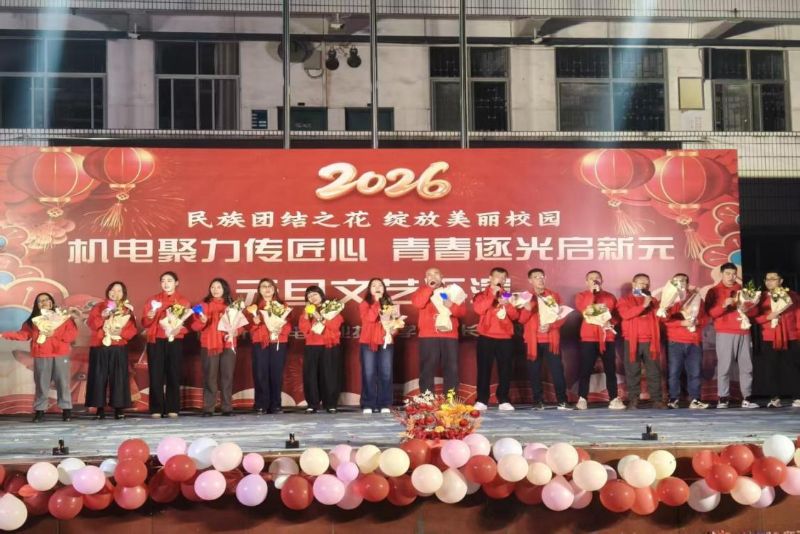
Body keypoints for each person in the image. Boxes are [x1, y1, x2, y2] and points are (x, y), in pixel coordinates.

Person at [1, 293, 78, 422]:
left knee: (63, 383)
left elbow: (71, 335)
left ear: (52, 302)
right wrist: (3, 334)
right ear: (37, 305)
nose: (44, 302)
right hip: (41, 354)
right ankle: (40, 411)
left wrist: (54, 333)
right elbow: (23, 335)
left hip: (60, 354)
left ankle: (66, 410)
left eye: (46, 300)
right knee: (42, 384)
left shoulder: (63, 318)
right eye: (40, 301)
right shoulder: (33, 321)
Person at [705, 262, 760, 409]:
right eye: (728, 274)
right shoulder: (714, 291)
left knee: (747, 366)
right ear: (721, 274)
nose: (731, 277)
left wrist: (747, 308)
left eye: (734, 274)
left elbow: (755, 312)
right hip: (725, 332)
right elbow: (710, 313)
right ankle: (723, 398)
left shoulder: (743, 290)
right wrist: (724, 305)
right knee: (724, 366)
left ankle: (747, 398)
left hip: (744, 331)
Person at [518, 268, 572, 410]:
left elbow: (562, 316)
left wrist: (551, 325)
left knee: (557, 371)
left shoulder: (553, 295)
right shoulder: (525, 296)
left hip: (551, 339)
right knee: (534, 372)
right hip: (532, 341)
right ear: (530, 280)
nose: (540, 279)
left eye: (542, 276)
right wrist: (527, 309)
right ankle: (538, 401)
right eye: (536, 277)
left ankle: (562, 401)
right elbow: (521, 320)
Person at [141, 271, 191, 418]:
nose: (166, 283)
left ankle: (172, 407)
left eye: (169, 280)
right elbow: (145, 323)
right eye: (163, 281)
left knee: (173, 373)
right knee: (155, 374)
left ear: (176, 283)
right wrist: (149, 316)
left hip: (174, 339)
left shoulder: (182, 301)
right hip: (155, 339)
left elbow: (183, 323)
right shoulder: (153, 300)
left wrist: (175, 327)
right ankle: (156, 408)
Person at [85, 282, 137, 420]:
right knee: (98, 377)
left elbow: (132, 329)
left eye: (119, 291)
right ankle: (99, 408)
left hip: (118, 345)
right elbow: (91, 324)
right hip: (100, 346)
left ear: (123, 294)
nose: (115, 293)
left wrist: (121, 332)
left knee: (119, 377)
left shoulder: (127, 309)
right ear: (108, 292)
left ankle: (119, 408)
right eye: (113, 290)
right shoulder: (99, 307)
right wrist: (102, 316)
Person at [410, 267, 466, 395]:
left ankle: (450, 400)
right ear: (426, 279)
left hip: (449, 335)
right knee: (427, 369)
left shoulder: (452, 291)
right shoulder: (422, 290)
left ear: (442, 277)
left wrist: (451, 305)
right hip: (428, 335)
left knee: (451, 369)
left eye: (436, 274)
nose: (433, 277)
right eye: (429, 275)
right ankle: (427, 400)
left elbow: (462, 312)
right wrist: (429, 289)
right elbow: (418, 303)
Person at [193, 278, 243, 417]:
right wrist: (202, 322)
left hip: (228, 344)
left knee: (227, 376)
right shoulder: (203, 306)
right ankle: (208, 408)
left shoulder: (232, 306)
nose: (215, 290)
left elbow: (241, 326)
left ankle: (227, 407)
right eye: (213, 287)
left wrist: (236, 332)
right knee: (210, 376)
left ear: (224, 289)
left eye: (218, 287)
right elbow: (194, 326)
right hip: (209, 345)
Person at [575, 270, 625, 410]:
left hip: (607, 337)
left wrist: (611, 322)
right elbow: (584, 309)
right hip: (589, 337)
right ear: (586, 282)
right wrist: (592, 293)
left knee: (610, 369)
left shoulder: (610, 296)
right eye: (591, 278)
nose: (594, 280)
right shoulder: (581, 296)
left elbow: (616, 315)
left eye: (597, 278)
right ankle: (582, 398)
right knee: (586, 369)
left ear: (602, 280)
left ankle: (614, 398)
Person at [472, 267, 519, 411]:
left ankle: (503, 399)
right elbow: (479, 310)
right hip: (486, 336)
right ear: (490, 278)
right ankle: (482, 400)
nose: (501, 280)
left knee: (505, 369)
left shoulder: (508, 296)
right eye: (498, 276)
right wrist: (492, 295)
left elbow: (515, 316)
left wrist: (508, 305)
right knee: (484, 369)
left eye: (504, 277)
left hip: (505, 337)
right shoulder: (481, 295)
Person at [661, 274, 709, 409]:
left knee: (695, 372)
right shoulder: (668, 299)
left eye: (683, 281)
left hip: (694, 341)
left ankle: (695, 399)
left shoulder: (696, 298)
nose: (680, 283)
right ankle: (673, 399)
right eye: (676, 281)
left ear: (687, 284)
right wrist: (681, 323)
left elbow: (705, 318)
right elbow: (663, 320)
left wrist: (698, 322)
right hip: (675, 341)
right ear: (672, 284)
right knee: (674, 372)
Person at [617, 273, 665, 409]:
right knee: (632, 371)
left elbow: (660, 318)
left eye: (647, 283)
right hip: (632, 341)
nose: (645, 286)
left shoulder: (653, 300)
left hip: (651, 341)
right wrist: (643, 305)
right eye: (641, 283)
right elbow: (625, 315)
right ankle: (633, 399)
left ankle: (657, 399)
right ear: (634, 284)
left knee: (654, 371)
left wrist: (664, 310)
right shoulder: (625, 300)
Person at [754, 270, 799, 408]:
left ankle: (797, 396)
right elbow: (754, 317)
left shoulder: (792, 295)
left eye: (773, 278)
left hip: (790, 336)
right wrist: (767, 317)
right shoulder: (761, 297)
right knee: (770, 368)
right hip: (769, 336)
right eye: (767, 279)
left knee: (793, 367)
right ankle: (774, 398)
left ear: (781, 281)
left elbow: (798, 315)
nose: (769, 281)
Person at [247, 278, 292, 414]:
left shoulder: (283, 306)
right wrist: (254, 323)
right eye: (263, 286)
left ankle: (276, 405)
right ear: (259, 290)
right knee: (260, 373)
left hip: (278, 342)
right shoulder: (253, 307)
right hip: (260, 342)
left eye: (270, 286)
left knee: (276, 374)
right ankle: (261, 404)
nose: (267, 289)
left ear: (274, 289)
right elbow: (246, 327)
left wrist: (280, 329)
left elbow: (288, 324)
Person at [299, 285, 344, 414]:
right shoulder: (307, 311)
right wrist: (307, 316)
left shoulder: (331, 307)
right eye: (309, 296)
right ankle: (312, 404)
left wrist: (319, 317)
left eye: (315, 294)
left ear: (321, 295)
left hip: (329, 345)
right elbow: (304, 329)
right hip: (312, 345)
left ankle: (330, 403)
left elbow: (336, 325)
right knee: (311, 376)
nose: (312, 297)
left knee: (330, 375)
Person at [359, 278, 399, 414]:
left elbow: (396, 324)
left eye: (380, 285)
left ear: (384, 289)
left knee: (386, 373)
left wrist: (393, 331)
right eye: (374, 286)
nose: (377, 288)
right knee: (369, 373)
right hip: (368, 342)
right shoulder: (364, 304)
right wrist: (377, 302)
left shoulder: (390, 305)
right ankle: (368, 403)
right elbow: (369, 319)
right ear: (369, 290)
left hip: (386, 341)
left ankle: (384, 403)